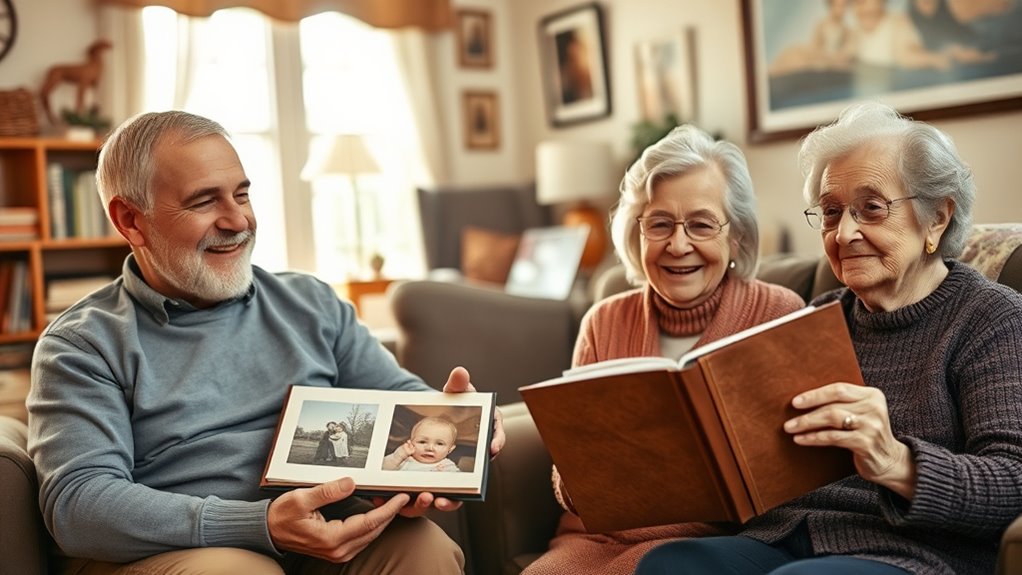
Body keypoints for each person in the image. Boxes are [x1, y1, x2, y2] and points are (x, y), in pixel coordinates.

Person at [26, 110, 505, 575]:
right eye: (203, 201)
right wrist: (259, 525)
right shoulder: (81, 345)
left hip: (323, 523)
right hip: (179, 550)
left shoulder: (310, 301)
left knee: (422, 548)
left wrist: (466, 419)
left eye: (242, 194)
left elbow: (397, 396)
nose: (238, 221)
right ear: (131, 220)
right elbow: (79, 504)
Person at [634, 102, 1022, 575]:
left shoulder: (991, 319)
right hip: (786, 537)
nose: (845, 233)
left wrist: (897, 461)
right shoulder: (819, 318)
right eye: (832, 212)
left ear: (937, 218)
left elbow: (1013, 481)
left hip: (913, 552)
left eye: (871, 208)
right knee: (670, 564)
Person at [521, 125, 805, 575]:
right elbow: (571, 471)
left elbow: (792, 473)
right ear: (637, 235)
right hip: (594, 535)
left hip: (711, 546)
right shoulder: (604, 320)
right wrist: (582, 474)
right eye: (659, 224)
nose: (677, 244)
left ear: (736, 237)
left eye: (701, 224)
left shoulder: (777, 313)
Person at [769, 0, 858, 77]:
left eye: (843, 7)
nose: (841, 10)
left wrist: (834, 59)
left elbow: (846, 54)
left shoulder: (847, 31)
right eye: (838, 6)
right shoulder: (821, 25)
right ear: (831, 6)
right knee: (794, 53)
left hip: (832, 64)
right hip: (818, 57)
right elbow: (815, 47)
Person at [383, 416, 461, 472]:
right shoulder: (405, 460)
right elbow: (382, 470)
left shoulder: (447, 466)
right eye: (422, 442)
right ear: (410, 443)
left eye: (439, 443)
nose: (430, 448)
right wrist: (397, 457)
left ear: (450, 449)